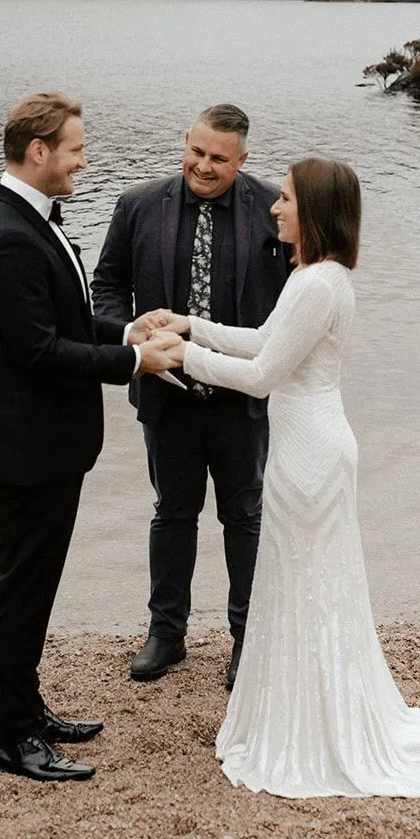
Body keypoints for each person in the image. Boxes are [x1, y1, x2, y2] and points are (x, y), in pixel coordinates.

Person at [150, 158, 420, 800]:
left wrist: (180, 356)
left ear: (312, 210)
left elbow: (262, 376)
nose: (275, 209)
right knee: (305, 584)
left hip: (310, 456)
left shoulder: (319, 284)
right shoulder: (316, 277)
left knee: (310, 586)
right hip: (306, 447)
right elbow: (264, 341)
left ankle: (315, 728)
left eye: (286, 199)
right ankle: (308, 712)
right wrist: (191, 323)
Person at [0, 92, 178, 784]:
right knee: (21, 592)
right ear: (38, 153)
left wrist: (123, 332)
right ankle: (10, 740)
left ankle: (27, 712)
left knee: (34, 587)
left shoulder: (30, 221)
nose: (82, 163)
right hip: (25, 446)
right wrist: (133, 364)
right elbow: (37, 353)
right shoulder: (3, 235)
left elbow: (64, 323)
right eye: (75, 151)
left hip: (48, 444)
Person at [92, 105, 291, 688]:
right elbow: (107, 285)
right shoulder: (137, 205)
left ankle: (246, 637)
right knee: (172, 513)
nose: (204, 167)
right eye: (196, 153)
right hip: (166, 394)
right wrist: (128, 333)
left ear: (242, 159)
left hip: (241, 395)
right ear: (185, 143)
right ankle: (166, 632)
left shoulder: (274, 208)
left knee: (245, 517)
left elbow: (294, 300)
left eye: (219, 159)